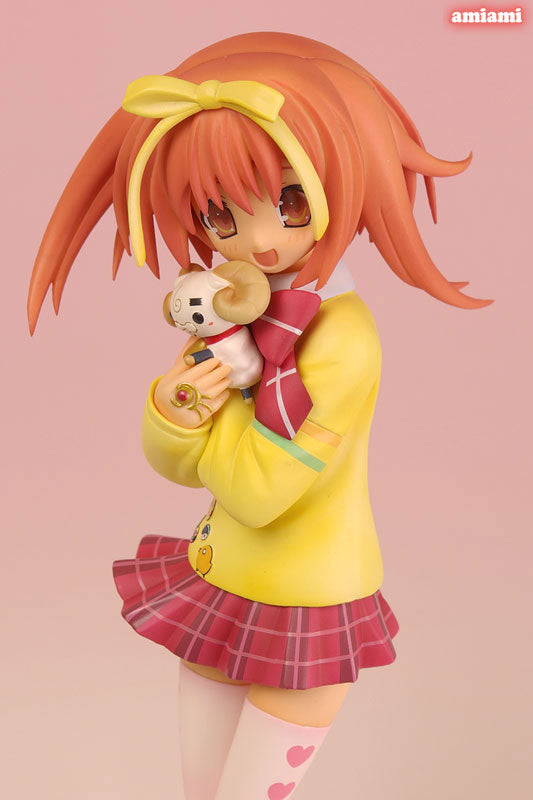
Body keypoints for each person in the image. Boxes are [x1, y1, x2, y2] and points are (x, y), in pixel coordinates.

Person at [28, 31, 490, 800]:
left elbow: (260, 490)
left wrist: (214, 406)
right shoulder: (231, 307)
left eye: (290, 200)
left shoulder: (342, 339)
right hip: (225, 580)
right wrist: (175, 409)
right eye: (220, 215)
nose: (262, 240)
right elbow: (179, 464)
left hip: (308, 597)